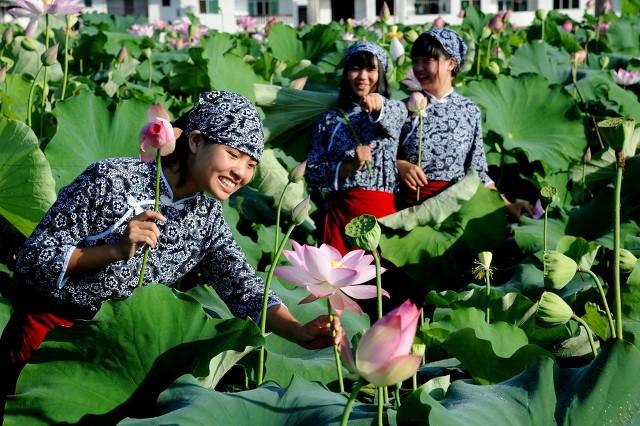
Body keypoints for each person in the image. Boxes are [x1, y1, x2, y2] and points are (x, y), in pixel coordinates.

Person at [0, 91, 339, 404]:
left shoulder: (208, 217)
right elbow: (33, 258)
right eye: (233, 155)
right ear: (195, 141)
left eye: (251, 164)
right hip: (47, 340)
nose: (241, 173)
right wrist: (113, 251)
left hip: (121, 356)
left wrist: (297, 331)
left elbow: (245, 290)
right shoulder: (110, 178)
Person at [397, 28, 533, 217]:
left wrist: (508, 204)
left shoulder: (469, 110)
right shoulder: (402, 108)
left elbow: (478, 172)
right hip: (411, 212)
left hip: (457, 211)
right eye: (416, 61)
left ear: (451, 63)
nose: (418, 68)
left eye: (427, 61)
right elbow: (378, 160)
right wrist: (400, 166)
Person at [305, 41, 408, 254]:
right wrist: (348, 167)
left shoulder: (395, 110)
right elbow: (312, 173)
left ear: (381, 74)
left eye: (371, 69)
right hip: (339, 214)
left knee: (381, 284)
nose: (362, 76)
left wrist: (377, 104)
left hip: (381, 217)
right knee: (335, 283)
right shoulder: (330, 120)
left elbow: (391, 116)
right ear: (346, 73)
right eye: (355, 68)